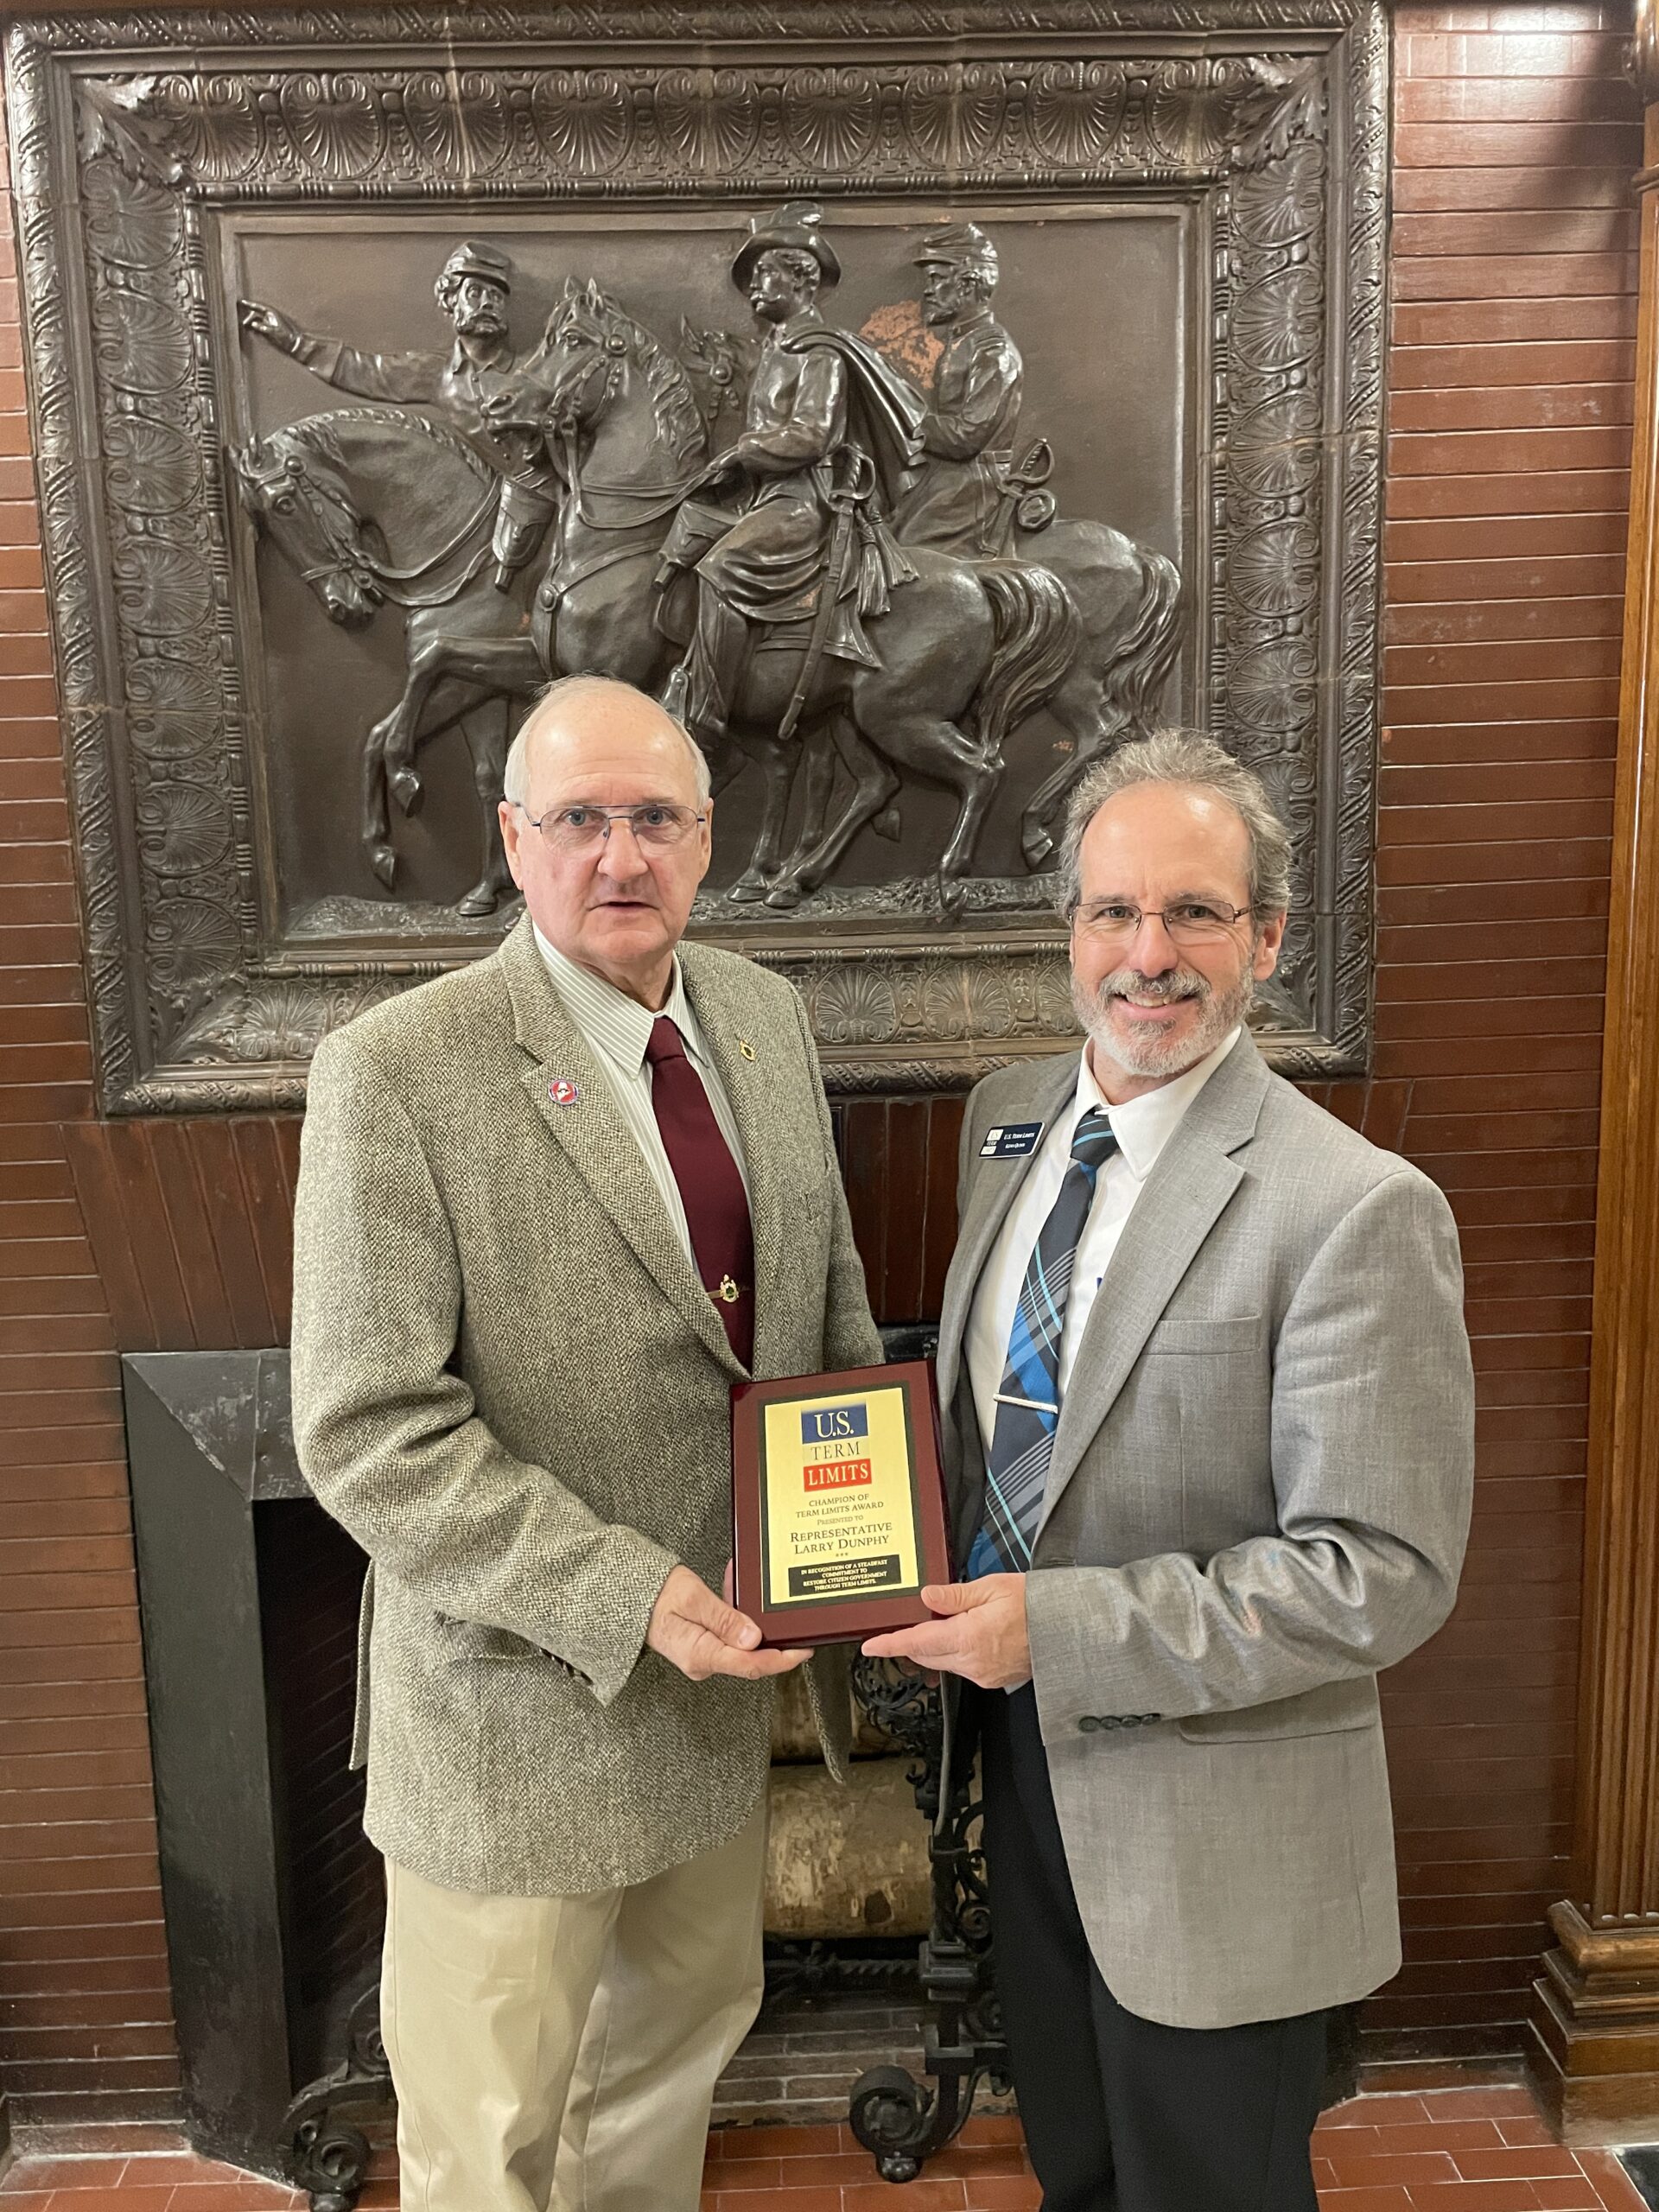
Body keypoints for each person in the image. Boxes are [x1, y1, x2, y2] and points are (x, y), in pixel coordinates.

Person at [290, 674, 884, 2212]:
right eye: (579, 820)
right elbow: (368, 1433)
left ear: (707, 837)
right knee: (490, 2146)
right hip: (515, 1723)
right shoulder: (396, 1071)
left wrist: (860, 1539)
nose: (622, 856)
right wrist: (627, 1594)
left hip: (716, 1704)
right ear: (514, 839)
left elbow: (821, 1306)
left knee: (663, 2089)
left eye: (655, 819)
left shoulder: (765, 1017)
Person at [865, 729, 1474, 2212]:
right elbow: (994, 1425)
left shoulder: (1355, 1208)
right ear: (1069, 930)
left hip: (1218, 1828)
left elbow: (1380, 1575)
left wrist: (1057, 1631)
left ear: (1266, 937)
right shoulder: (1008, 1119)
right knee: (1074, 2170)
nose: (1150, 955)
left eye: (1196, 912)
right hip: (1022, 1768)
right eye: (1115, 912)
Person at [657, 202, 924, 751]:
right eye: (753, 275)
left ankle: (706, 713)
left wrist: (742, 453)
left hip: (804, 501)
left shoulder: (818, 351)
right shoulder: (777, 348)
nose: (754, 286)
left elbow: (812, 435)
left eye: (766, 273)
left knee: (721, 567)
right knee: (684, 533)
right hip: (764, 496)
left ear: (802, 279)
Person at [239, 240, 560, 588]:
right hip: (483, 509)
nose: (487, 303)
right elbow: (366, 371)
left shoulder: (535, 371)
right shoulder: (437, 375)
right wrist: (294, 341)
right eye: (475, 293)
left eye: (496, 296)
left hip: (552, 505)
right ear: (451, 300)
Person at [891, 221, 1025, 556]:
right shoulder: (963, 341)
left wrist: (905, 419)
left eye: (936, 279)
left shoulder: (993, 351)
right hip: (948, 473)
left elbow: (967, 437)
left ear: (967, 283)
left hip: (975, 483)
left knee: (909, 553)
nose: (928, 291)